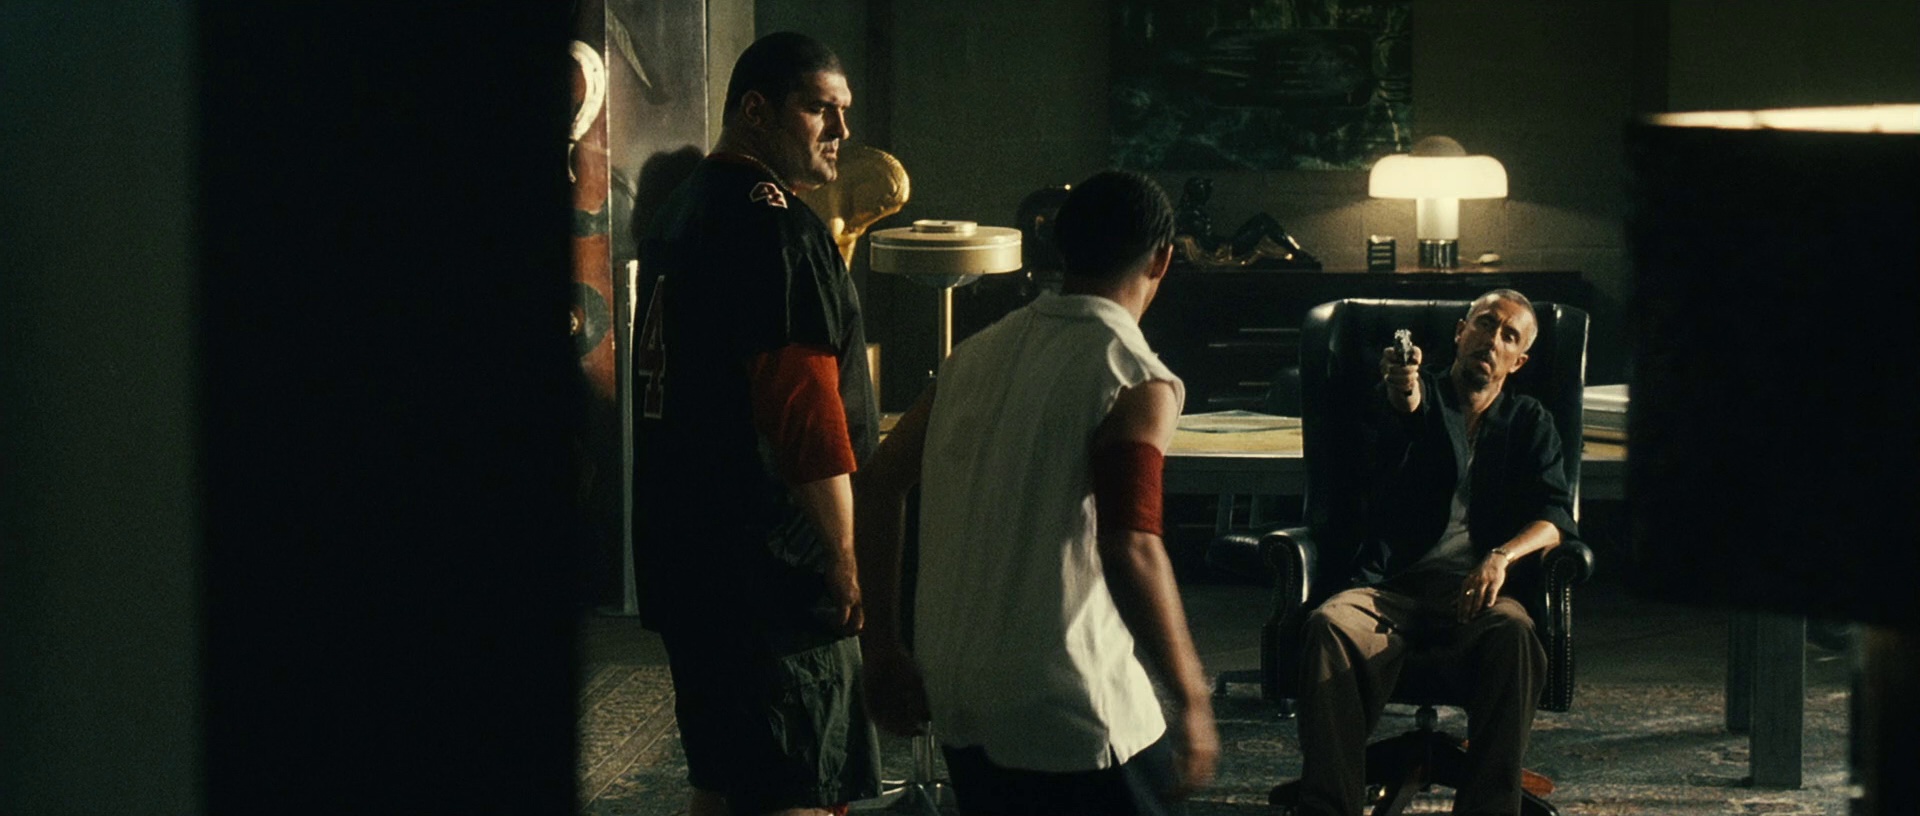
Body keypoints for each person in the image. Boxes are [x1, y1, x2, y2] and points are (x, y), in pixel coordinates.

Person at [856, 170, 1219, 816]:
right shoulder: (1133, 376)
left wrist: (881, 647)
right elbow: (1131, 544)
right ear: (1162, 259)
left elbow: (881, 481)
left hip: (958, 693)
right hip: (1070, 704)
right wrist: (1192, 696)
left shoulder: (972, 357)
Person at [632, 31, 879, 816]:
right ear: (755, 111)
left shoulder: (681, 211)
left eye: (844, 112)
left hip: (691, 558)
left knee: (726, 778)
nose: (840, 131)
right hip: (771, 568)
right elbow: (802, 409)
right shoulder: (775, 228)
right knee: (794, 786)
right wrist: (845, 555)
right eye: (819, 110)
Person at [1294, 289, 1576, 816]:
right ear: (1460, 331)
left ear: (1519, 360)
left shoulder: (1528, 421)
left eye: (1508, 336)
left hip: (1476, 594)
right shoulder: (1419, 397)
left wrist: (1501, 557)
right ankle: (1328, 808)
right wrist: (1402, 389)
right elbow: (1402, 420)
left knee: (1516, 635)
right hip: (1388, 586)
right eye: (1484, 324)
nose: (1492, 340)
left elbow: (1555, 518)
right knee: (1330, 626)